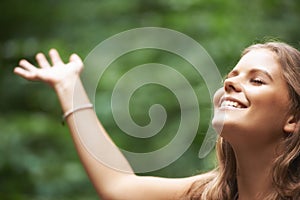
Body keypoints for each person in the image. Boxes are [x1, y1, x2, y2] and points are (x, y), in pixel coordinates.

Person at [14, 41, 300, 200]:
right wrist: (69, 87)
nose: (230, 84)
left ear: (293, 118)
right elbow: (118, 187)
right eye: (230, 77)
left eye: (257, 80)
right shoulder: (210, 194)